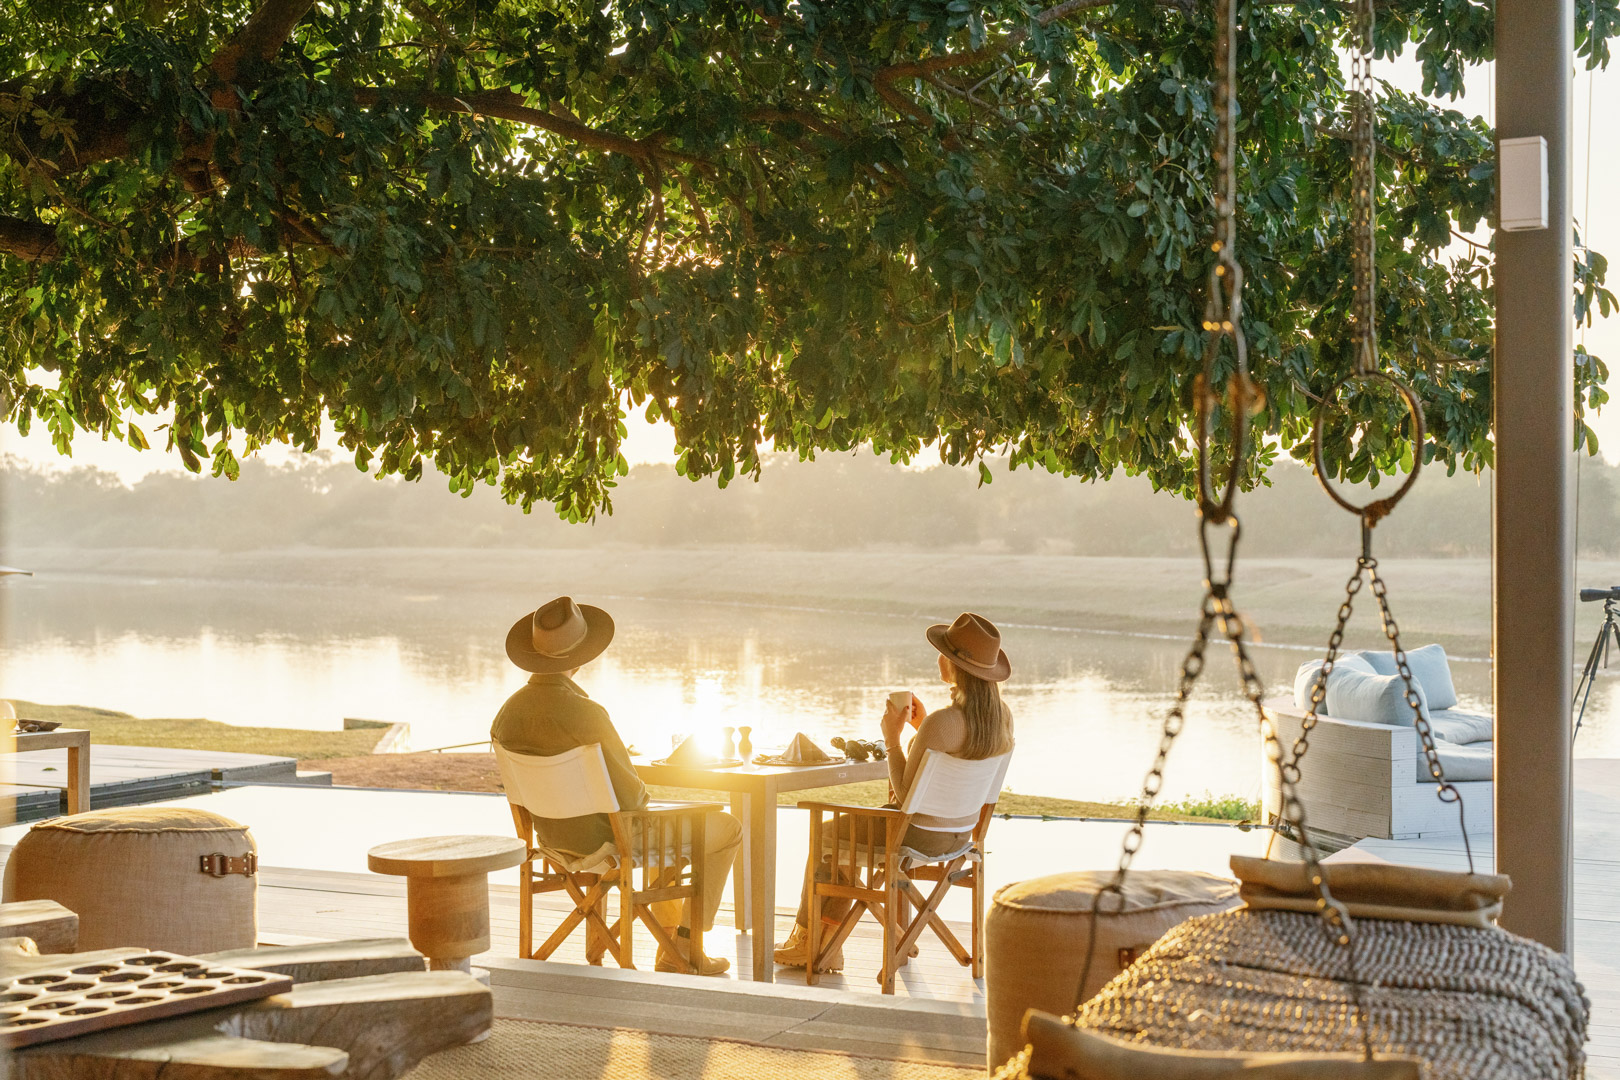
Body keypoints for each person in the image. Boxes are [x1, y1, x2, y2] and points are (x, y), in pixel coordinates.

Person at [492, 595, 742, 976]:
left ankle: (669, 941)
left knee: (665, 831)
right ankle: (684, 946)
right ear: (582, 657)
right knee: (723, 828)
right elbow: (632, 798)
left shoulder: (506, 714)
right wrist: (646, 800)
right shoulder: (588, 714)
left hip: (550, 841)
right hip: (607, 842)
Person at [773, 611, 1016, 972]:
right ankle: (826, 945)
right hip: (960, 839)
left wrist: (892, 738)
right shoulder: (1000, 718)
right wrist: (922, 727)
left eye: (942, 653)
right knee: (845, 840)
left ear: (952, 665)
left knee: (827, 834)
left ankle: (810, 942)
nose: (938, 658)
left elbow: (904, 797)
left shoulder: (941, 724)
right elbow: (953, 749)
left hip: (913, 837)